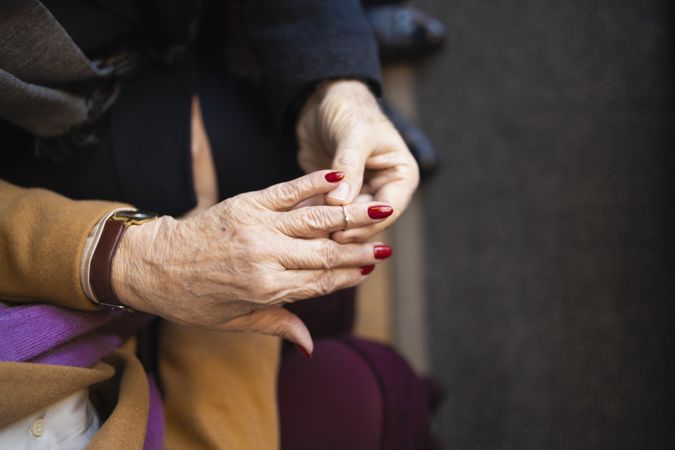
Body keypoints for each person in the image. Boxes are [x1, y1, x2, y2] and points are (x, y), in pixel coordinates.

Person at [0, 0, 430, 448]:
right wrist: (176, 276)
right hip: (53, 166)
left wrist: (335, 76)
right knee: (353, 367)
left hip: (58, 234)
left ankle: (341, 54)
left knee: (299, 150)